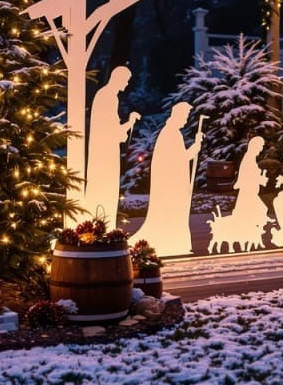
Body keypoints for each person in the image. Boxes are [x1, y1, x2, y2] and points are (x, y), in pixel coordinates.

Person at [135, 102, 203, 257]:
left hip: (172, 185)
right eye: (185, 116)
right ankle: (172, 242)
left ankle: (177, 242)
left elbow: (180, 158)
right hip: (170, 187)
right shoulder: (170, 133)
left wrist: (195, 146)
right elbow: (178, 160)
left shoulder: (172, 132)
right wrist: (195, 147)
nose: (186, 120)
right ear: (178, 115)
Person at [84, 65, 140, 226]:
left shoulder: (106, 95)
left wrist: (128, 123)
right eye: (126, 81)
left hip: (105, 151)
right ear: (118, 79)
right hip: (105, 154)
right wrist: (128, 123)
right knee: (105, 188)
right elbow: (111, 130)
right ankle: (100, 226)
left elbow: (113, 129)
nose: (127, 84)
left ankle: (103, 225)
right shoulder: (107, 97)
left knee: (107, 188)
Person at [230, 136, 269, 247]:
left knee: (256, 212)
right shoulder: (249, 159)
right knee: (260, 210)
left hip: (250, 192)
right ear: (254, 146)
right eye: (260, 146)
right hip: (248, 193)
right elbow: (247, 177)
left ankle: (252, 236)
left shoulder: (250, 158)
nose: (261, 149)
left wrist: (260, 179)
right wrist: (260, 179)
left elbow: (251, 176)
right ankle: (251, 236)